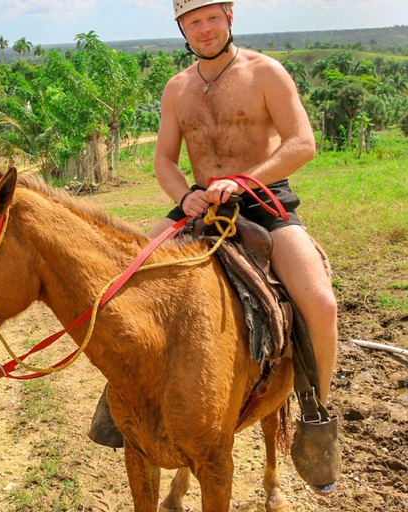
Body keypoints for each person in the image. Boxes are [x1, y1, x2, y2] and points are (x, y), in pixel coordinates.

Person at [88, 0, 340, 493]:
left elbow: (301, 142)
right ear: (181, 27)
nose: (202, 30)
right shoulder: (177, 88)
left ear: (229, 17)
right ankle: (120, 405)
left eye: (210, 18)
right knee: (122, 287)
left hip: (265, 203)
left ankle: (316, 411)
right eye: (192, 22)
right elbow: (163, 158)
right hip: (200, 208)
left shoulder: (265, 72)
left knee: (321, 303)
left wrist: (245, 181)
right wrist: (184, 195)